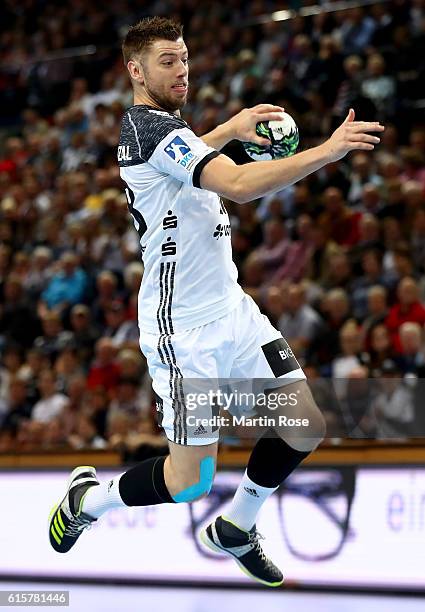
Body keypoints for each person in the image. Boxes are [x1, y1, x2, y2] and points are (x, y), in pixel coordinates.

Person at [48, 17, 384, 586]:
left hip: (232, 307)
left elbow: (185, 167)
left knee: (303, 424)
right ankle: (89, 501)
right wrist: (328, 151)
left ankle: (235, 528)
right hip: (183, 330)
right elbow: (240, 186)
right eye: (167, 62)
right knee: (190, 483)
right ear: (135, 70)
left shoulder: (164, 128)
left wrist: (230, 125)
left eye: (184, 59)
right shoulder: (148, 128)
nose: (181, 71)